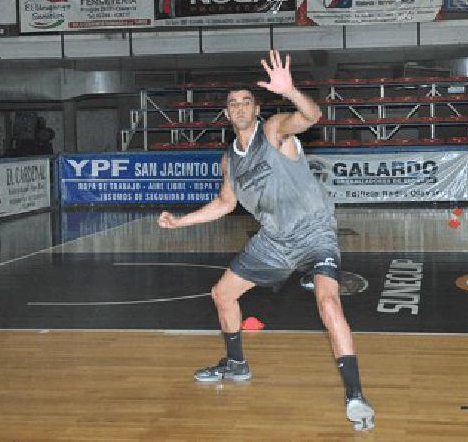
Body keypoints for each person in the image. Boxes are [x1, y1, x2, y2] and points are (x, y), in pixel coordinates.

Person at [156, 50, 376, 430]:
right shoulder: (230, 160)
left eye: (246, 101)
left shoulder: (273, 130)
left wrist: (291, 91)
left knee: (328, 304)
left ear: (256, 109)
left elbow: (312, 116)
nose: (239, 107)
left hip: (313, 230)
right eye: (232, 103)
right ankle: (236, 364)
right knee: (222, 294)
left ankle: (355, 395)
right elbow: (225, 203)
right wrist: (181, 221)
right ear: (226, 114)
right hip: (274, 239)